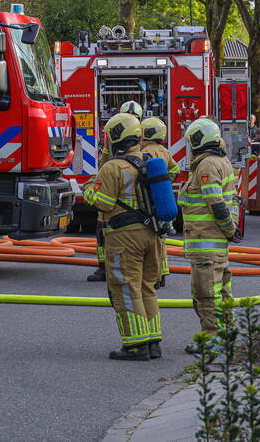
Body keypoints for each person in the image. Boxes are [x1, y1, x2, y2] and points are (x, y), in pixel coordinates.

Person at [83, 113, 163, 360]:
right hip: (152, 235)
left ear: (117, 137)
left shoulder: (113, 167)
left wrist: (87, 190)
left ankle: (136, 346)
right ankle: (153, 342)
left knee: (126, 288)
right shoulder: (149, 161)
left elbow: (103, 203)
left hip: (124, 236)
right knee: (147, 287)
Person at [178, 117, 238, 352]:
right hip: (216, 244)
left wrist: (229, 230)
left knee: (206, 293)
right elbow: (230, 201)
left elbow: (216, 203)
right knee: (222, 291)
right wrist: (231, 230)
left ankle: (212, 339)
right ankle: (227, 334)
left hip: (205, 243)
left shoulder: (206, 165)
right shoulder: (222, 162)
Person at [89, 99, 145, 281]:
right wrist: (102, 179)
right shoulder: (116, 135)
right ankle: (103, 267)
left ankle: (114, 269)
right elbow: (105, 159)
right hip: (115, 181)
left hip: (129, 189)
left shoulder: (140, 136)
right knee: (102, 230)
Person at [140, 117, 179, 287]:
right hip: (163, 197)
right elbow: (175, 169)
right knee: (161, 237)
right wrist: (165, 182)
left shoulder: (144, 151)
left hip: (149, 200)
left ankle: (153, 275)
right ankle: (163, 272)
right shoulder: (164, 151)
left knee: (151, 238)